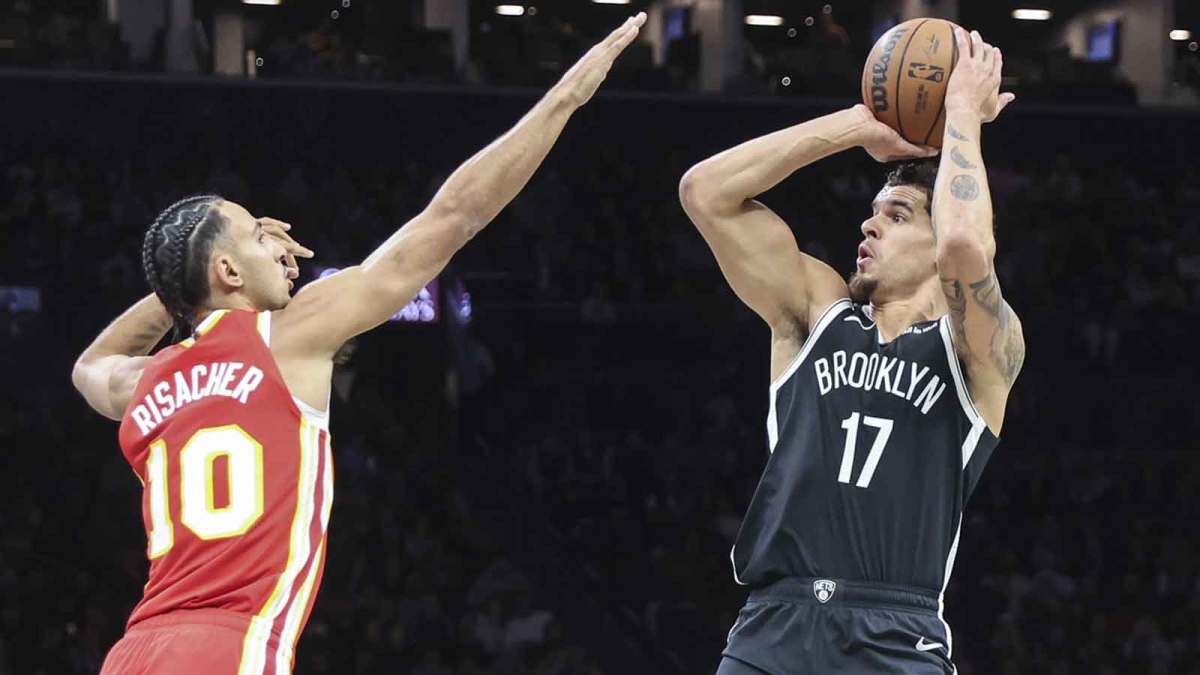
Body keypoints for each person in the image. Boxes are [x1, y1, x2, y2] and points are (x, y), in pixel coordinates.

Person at [69, 13, 647, 675]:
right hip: (230, 649)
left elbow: (89, 364)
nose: (278, 243)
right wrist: (565, 98)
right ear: (227, 273)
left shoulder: (145, 381)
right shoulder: (286, 334)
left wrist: (181, 287)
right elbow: (453, 217)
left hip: (133, 651)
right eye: (258, 234)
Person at [679, 28, 1022, 674]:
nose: (869, 223)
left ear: (936, 230)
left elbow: (965, 251)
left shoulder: (978, 346)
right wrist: (858, 126)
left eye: (896, 216)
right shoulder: (818, 313)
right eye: (871, 211)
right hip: (772, 625)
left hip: (896, 633)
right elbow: (705, 193)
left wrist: (960, 122)